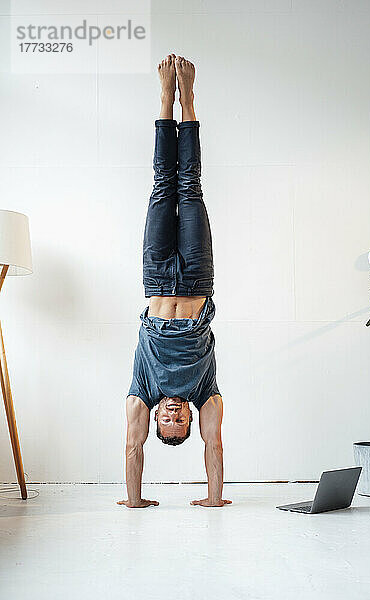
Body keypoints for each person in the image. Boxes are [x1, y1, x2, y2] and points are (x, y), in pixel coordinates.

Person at [117, 55, 231, 509]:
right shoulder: (206, 394)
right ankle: (190, 99)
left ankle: (165, 96)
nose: (172, 415)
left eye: (165, 422)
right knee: (192, 187)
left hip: (157, 277)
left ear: (155, 419)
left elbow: (131, 447)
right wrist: (213, 499)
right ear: (190, 419)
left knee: (164, 183)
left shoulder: (142, 391)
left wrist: (135, 501)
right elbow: (215, 445)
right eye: (179, 422)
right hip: (199, 277)